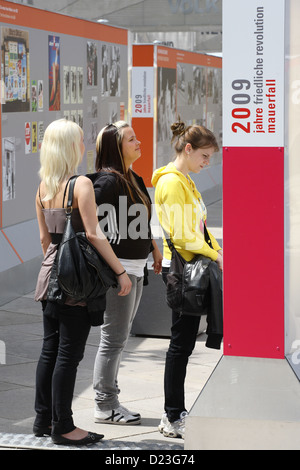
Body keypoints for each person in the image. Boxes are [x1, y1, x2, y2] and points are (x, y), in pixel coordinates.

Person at [34, 119, 132, 446]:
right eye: (79, 140)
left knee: (50, 351)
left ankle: (43, 419)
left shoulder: (44, 188)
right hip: (74, 283)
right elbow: (93, 233)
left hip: (49, 277)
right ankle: (63, 427)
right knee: (68, 355)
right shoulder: (81, 185)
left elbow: (45, 241)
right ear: (70, 147)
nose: (84, 145)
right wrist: (119, 272)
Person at [151, 119, 223, 439]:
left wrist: (216, 251)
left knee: (183, 345)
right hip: (184, 272)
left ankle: (175, 413)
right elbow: (183, 237)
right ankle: (172, 415)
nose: (207, 164)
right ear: (189, 149)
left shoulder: (183, 179)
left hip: (192, 268)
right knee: (180, 346)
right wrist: (216, 255)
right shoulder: (172, 183)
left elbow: (199, 229)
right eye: (205, 157)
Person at [88, 121, 162, 425]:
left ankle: (110, 400)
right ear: (116, 148)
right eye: (131, 139)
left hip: (136, 268)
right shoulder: (106, 182)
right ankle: (105, 404)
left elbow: (140, 220)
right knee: (114, 339)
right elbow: (88, 225)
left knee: (119, 338)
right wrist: (116, 270)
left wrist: (154, 247)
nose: (138, 142)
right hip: (117, 272)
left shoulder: (134, 178)